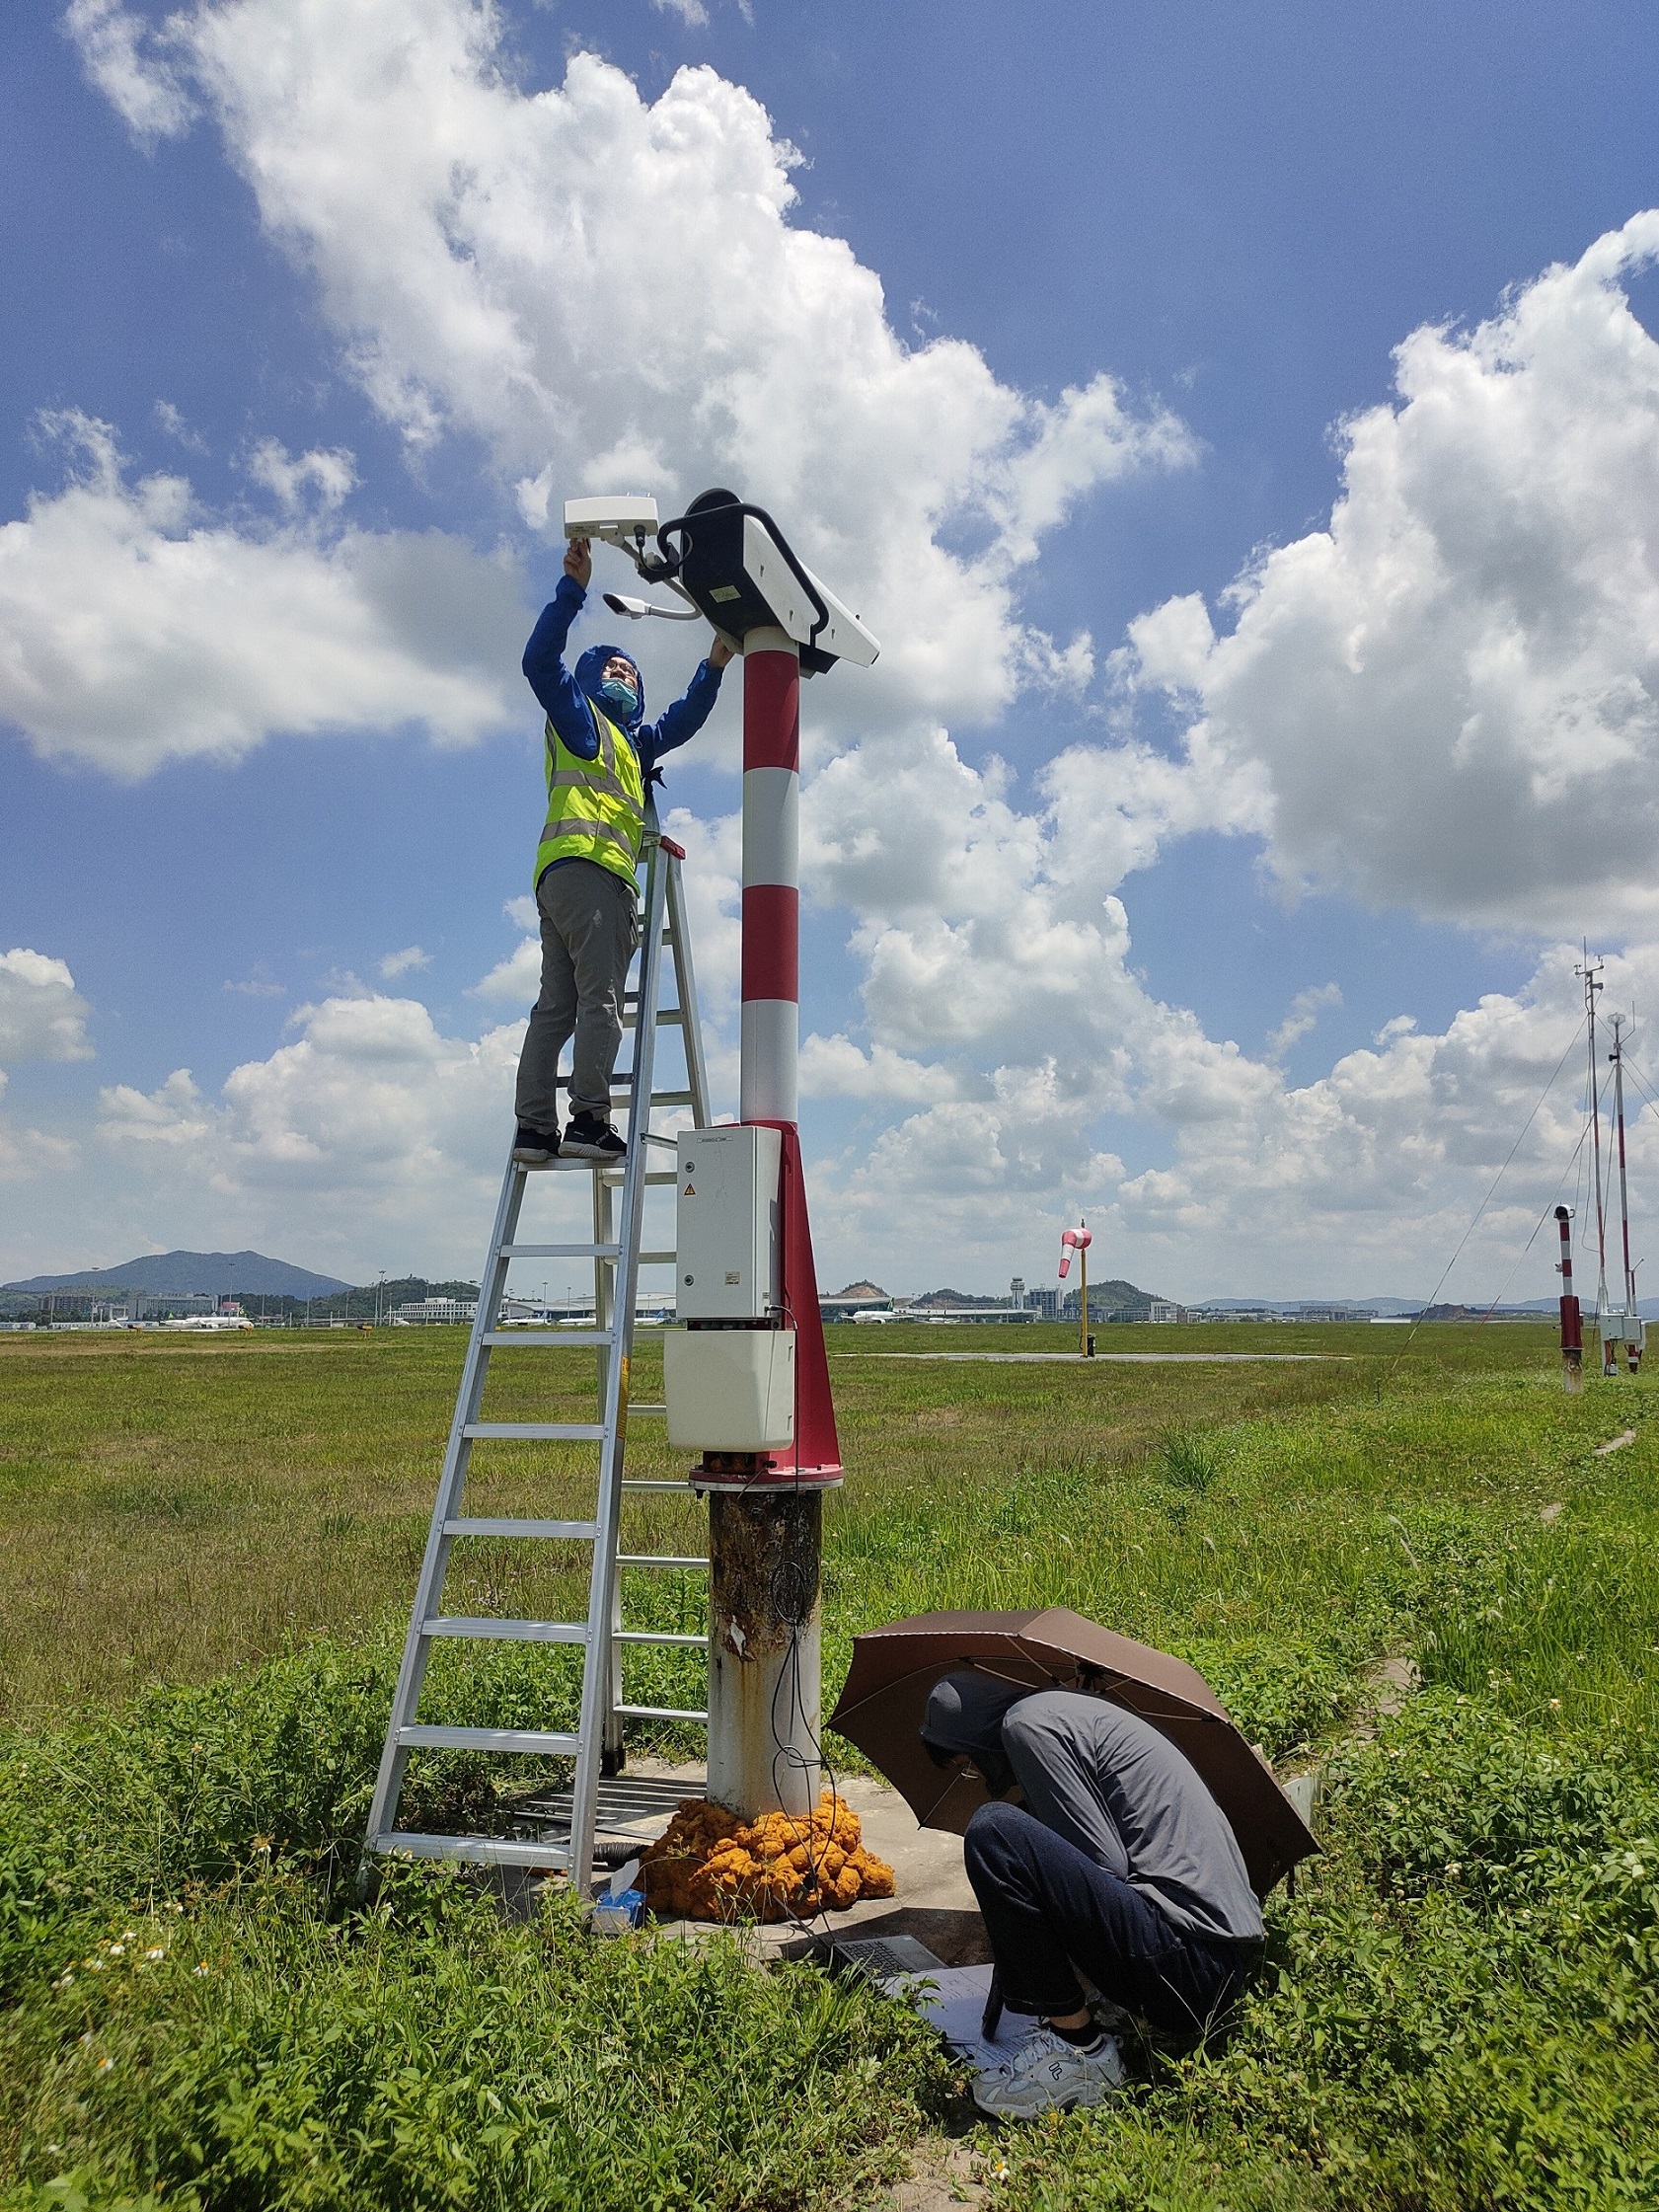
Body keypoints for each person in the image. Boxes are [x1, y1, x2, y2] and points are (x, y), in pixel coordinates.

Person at [921, 1671, 1265, 2120]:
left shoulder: (1025, 1724)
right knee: (1019, 1828)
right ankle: (1067, 2028)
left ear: (976, 1741)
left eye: (968, 1764)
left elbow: (1103, 1865)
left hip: (1189, 1962)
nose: (976, 1775)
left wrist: (1028, 1926)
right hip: (1217, 1966)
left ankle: (1080, 2052)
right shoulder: (1065, 1713)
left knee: (994, 1831)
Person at [511, 535, 734, 1163]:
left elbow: (683, 720)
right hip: (597, 878)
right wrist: (572, 592)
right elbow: (538, 663)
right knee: (600, 1004)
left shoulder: (619, 742)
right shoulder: (591, 725)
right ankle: (586, 1120)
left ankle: (533, 1130)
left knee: (555, 1007)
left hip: (555, 877)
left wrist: (713, 666)